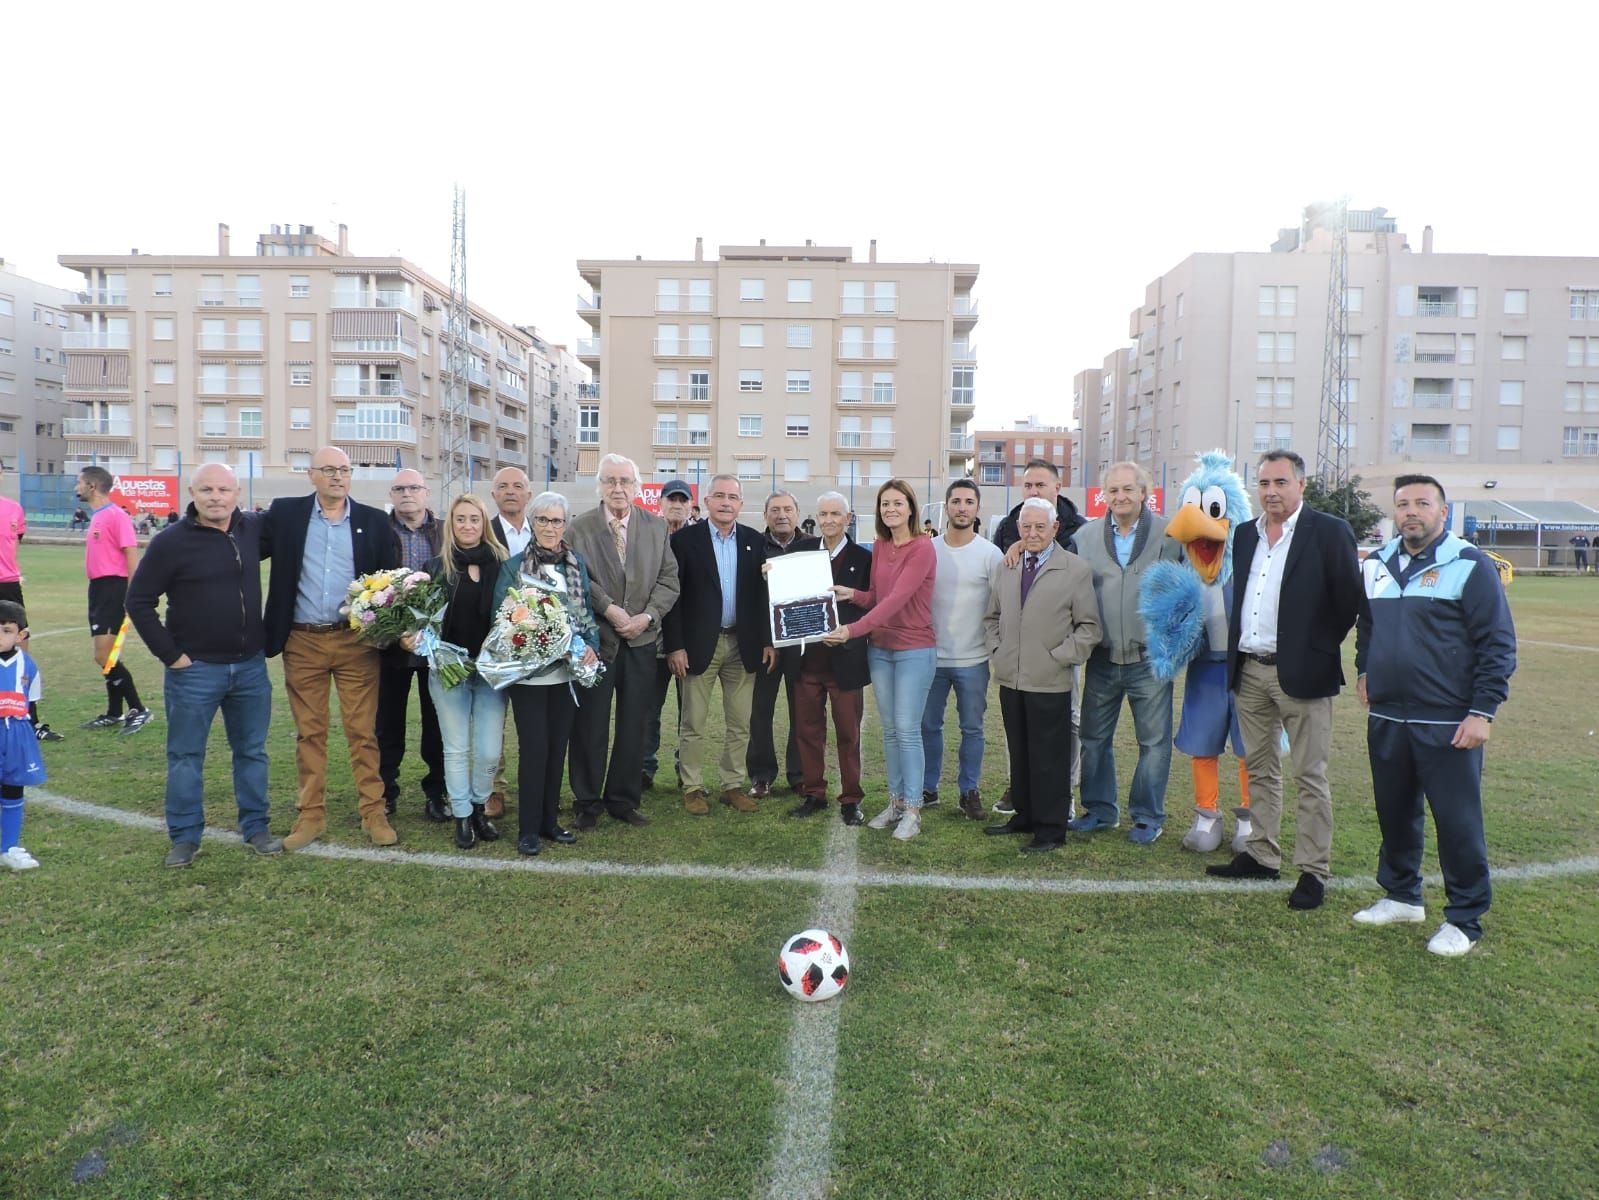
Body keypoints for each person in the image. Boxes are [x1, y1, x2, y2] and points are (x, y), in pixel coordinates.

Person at [1353, 475, 1517, 957]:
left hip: (1448, 719)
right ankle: (1402, 895)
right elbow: (1368, 625)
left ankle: (1465, 919)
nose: (1411, 511)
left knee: (1456, 821)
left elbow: (1497, 642)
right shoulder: (1377, 563)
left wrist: (1482, 711)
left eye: (1423, 503)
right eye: (1403, 503)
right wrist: (1364, 669)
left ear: (1443, 512)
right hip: (1388, 715)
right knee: (1394, 812)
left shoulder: (1469, 563)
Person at [1207, 450, 1361, 910]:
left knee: (1310, 776)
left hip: (1304, 673)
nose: (1271, 492)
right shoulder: (1245, 534)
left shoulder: (1329, 531)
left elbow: (1347, 602)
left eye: (1280, 482)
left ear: (1301, 484)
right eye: (1264, 483)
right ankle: (1261, 854)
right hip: (1249, 669)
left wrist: (1315, 648)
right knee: (1260, 768)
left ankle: (1313, 871)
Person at [126, 464, 280, 868]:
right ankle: (185, 836)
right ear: (192, 492)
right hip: (194, 671)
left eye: (224, 489)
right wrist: (172, 656)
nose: (216, 497)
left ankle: (256, 827)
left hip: (249, 667)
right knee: (185, 755)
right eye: (207, 489)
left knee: (251, 752)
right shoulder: (170, 542)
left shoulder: (252, 530)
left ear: (237, 493)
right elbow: (138, 602)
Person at [262, 446, 402, 850]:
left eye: (344, 469)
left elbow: (391, 583)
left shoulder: (374, 521)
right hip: (303, 640)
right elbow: (242, 544)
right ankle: (310, 815)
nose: (338, 476)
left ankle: (373, 812)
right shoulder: (285, 514)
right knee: (310, 732)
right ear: (311, 475)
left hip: (355, 641)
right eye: (328, 469)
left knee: (362, 731)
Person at [1069, 462, 1184, 843]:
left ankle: (1147, 816)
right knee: (1093, 739)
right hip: (1102, 658)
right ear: (1105, 495)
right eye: (1113, 490)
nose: (1120, 497)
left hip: (1149, 659)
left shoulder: (1171, 535)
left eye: (1128, 489)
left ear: (1144, 493)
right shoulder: (1085, 538)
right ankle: (1100, 810)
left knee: (1153, 743)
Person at [567, 453, 680, 829]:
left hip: (641, 642)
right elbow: (576, 578)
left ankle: (623, 799)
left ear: (637, 487)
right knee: (590, 724)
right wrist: (609, 609)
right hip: (597, 643)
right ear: (599, 485)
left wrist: (647, 616)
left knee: (636, 724)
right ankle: (587, 801)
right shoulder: (579, 528)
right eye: (610, 481)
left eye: (625, 481)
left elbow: (669, 580)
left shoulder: (656, 527)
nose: (618, 488)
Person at [982, 498, 1101, 852]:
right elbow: (992, 617)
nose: (1032, 533)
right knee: (1020, 753)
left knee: (1049, 759)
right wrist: (998, 650)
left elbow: (1089, 628)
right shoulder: (1008, 566)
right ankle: (1024, 816)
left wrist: (1059, 658)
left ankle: (1050, 829)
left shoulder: (1075, 570)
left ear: (1055, 528)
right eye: (1026, 526)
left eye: (1040, 526)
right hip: (1011, 677)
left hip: (1050, 680)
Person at [822, 479, 937, 840]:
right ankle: (896, 802)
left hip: (914, 649)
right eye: (885, 504)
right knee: (890, 730)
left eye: (898, 503)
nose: (891, 509)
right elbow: (877, 597)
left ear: (910, 508)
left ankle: (913, 809)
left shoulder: (922, 548)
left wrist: (852, 631)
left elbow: (897, 600)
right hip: (881, 649)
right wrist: (853, 594)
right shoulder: (881, 546)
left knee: (907, 729)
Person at [401, 494, 508, 851]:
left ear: (484, 523)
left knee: (490, 750)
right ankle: (462, 814)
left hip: (490, 672)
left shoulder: (502, 565)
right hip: (449, 672)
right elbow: (419, 619)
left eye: (474, 519)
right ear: (451, 525)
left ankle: (479, 806)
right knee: (456, 747)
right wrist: (410, 638)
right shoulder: (435, 567)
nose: (467, 525)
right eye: (460, 519)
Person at [497, 491, 600, 855]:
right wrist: (532, 643)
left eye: (557, 520)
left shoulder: (575, 564)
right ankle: (528, 828)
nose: (550, 527)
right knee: (535, 750)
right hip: (530, 677)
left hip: (566, 676)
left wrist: (590, 644)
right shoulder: (514, 567)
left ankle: (549, 822)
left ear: (565, 524)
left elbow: (586, 613)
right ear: (533, 523)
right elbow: (501, 619)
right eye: (543, 520)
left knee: (557, 749)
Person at [663, 474, 772, 816]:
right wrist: (675, 646)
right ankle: (692, 787)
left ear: (741, 504)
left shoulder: (755, 541)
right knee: (693, 722)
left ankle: (732, 785)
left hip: (743, 645)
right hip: (698, 646)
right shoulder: (685, 541)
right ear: (707, 501)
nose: (726, 503)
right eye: (720, 496)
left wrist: (767, 641)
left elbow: (763, 596)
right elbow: (673, 598)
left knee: (740, 723)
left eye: (733, 497)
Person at [991, 458, 1085, 816]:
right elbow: (1000, 593)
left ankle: (1064, 790)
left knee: (1068, 719)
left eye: (1040, 485)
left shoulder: (1077, 530)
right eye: (1028, 485)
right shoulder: (1008, 527)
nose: (1033, 490)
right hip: (1017, 653)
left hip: (1055, 653)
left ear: (1057, 488)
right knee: (1017, 723)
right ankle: (1021, 787)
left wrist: (1062, 654)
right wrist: (999, 648)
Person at [920, 478, 1002, 820]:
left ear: (977, 508)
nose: (962, 507)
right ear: (946, 506)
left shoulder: (990, 554)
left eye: (969, 502)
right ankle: (927, 788)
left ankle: (969, 791)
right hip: (931, 658)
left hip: (974, 660)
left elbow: (1001, 606)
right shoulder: (928, 550)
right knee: (928, 726)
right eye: (956, 501)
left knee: (972, 728)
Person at [790, 492, 873, 824]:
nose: (828, 520)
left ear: (848, 518)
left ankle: (851, 798)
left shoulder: (864, 559)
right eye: (823, 514)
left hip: (845, 662)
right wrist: (772, 572)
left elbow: (874, 602)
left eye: (835, 514)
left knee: (848, 734)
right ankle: (814, 792)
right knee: (807, 731)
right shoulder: (801, 552)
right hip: (807, 661)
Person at [376, 469, 445, 822]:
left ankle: (437, 792)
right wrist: (395, 631)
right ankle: (385, 791)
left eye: (414, 487)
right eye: (400, 488)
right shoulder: (379, 531)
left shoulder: (445, 532)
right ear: (392, 494)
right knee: (388, 722)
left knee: (437, 722)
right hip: (391, 645)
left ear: (426, 492)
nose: (407, 494)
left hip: (436, 647)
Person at [748, 490, 820, 798]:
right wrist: (767, 640)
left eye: (787, 509)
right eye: (775, 510)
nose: (781, 515)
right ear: (765, 515)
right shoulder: (753, 547)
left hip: (801, 644)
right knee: (760, 712)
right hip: (764, 646)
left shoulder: (814, 546)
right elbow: (749, 599)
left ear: (797, 513)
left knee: (801, 711)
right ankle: (761, 775)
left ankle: (799, 774)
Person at [73, 466, 153, 735]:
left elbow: (131, 552)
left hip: (113, 589)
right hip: (98, 589)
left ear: (92, 486)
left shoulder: (116, 516)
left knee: (103, 656)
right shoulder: (98, 516)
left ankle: (139, 709)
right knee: (108, 655)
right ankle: (114, 712)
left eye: (79, 482)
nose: (76, 487)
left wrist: (132, 593)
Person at [482, 467, 535, 819]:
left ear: (529, 494)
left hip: (537, 647)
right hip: (496, 645)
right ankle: (494, 790)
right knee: (493, 723)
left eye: (518, 486)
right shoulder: (482, 533)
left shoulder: (544, 530)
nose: (511, 491)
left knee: (532, 725)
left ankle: (535, 788)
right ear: (494, 495)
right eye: (503, 486)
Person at [0, 463, 61, 742]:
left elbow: (16, 543)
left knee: (19, 655)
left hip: (8, 586)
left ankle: (30, 721)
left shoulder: (14, 509)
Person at [643, 479, 694, 789]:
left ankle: (684, 768)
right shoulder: (648, 535)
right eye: (671, 499)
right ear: (660, 503)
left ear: (690, 505)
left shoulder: (698, 539)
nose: (677, 505)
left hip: (688, 641)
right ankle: (644, 768)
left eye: (682, 500)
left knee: (689, 712)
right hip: (651, 638)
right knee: (648, 709)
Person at [0, 600, 48, 870]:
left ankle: (9, 847)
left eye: (6, 630)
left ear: (21, 635)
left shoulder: (28, 666)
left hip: (17, 734)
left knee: (13, 788)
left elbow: (31, 703)